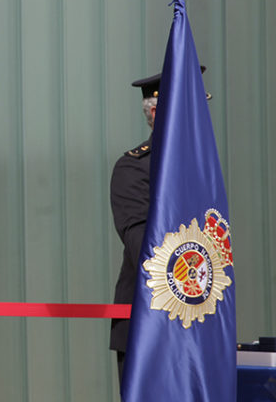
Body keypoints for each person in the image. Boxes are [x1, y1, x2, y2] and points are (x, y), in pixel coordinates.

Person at [109, 68, 209, 387]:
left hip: (201, 319)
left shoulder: (204, 169)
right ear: (155, 112)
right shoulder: (133, 168)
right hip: (152, 321)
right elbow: (143, 246)